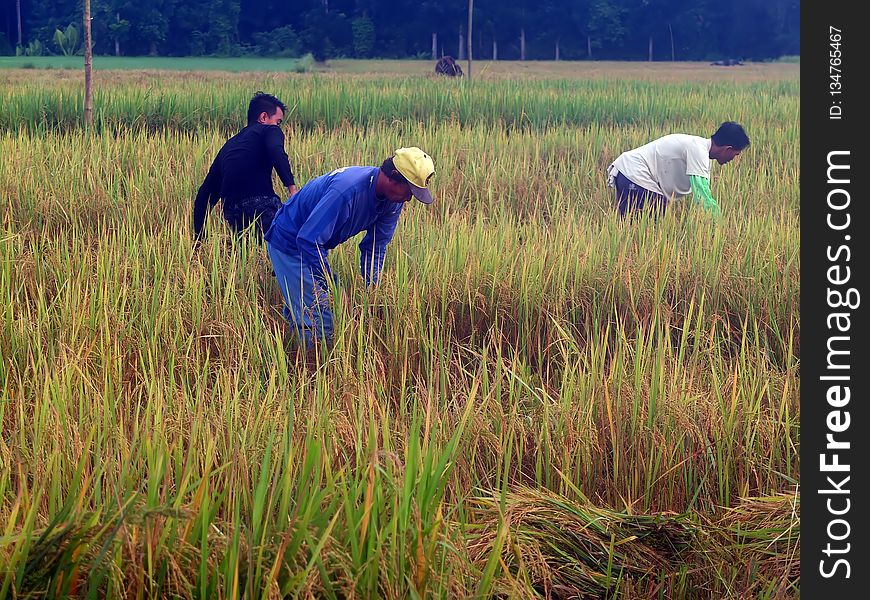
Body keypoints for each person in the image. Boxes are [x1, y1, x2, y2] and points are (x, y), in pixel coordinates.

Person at [264, 147, 436, 349]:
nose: (408, 199)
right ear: (393, 177)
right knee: (321, 315)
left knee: (305, 305)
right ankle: (313, 369)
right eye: (408, 191)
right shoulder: (347, 190)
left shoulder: (393, 202)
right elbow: (308, 240)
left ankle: (292, 350)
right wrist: (334, 286)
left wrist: (372, 287)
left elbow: (375, 246)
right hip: (290, 241)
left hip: (313, 241)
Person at [192, 92, 298, 242]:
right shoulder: (269, 130)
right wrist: (292, 189)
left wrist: (198, 240)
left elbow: (204, 195)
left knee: (246, 255)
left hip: (232, 211)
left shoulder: (229, 145)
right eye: (278, 121)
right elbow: (276, 151)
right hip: (262, 204)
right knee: (294, 241)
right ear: (263, 117)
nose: (278, 126)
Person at [606, 121, 750, 218]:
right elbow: (702, 194)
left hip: (626, 174)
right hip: (635, 174)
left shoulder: (700, 150)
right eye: (735, 154)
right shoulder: (698, 150)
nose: (734, 159)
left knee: (630, 226)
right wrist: (718, 223)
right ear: (727, 149)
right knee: (655, 223)